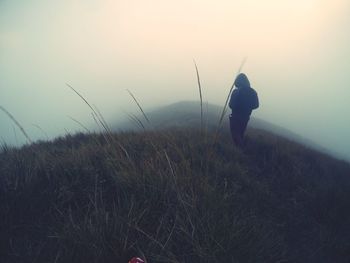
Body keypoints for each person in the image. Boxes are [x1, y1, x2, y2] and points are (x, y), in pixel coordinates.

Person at [229, 73, 259, 147]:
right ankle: (241, 150)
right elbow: (256, 105)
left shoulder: (236, 91)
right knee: (240, 134)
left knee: (235, 135)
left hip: (235, 117)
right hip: (246, 117)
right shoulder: (253, 92)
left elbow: (231, 105)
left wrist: (237, 108)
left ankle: (240, 151)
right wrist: (248, 108)